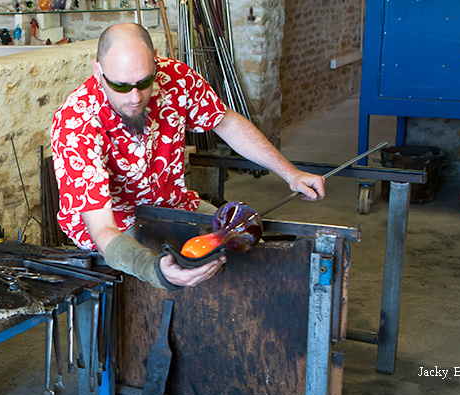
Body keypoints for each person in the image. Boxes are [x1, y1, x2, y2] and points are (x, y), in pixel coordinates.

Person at [51, 23, 325, 290]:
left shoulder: (175, 78)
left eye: (144, 82)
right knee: (188, 275)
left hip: (175, 206)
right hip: (119, 227)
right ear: (98, 71)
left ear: (155, 64)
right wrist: (156, 270)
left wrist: (290, 172)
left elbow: (225, 122)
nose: (135, 97)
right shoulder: (76, 125)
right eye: (121, 86)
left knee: (254, 256)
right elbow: (103, 231)